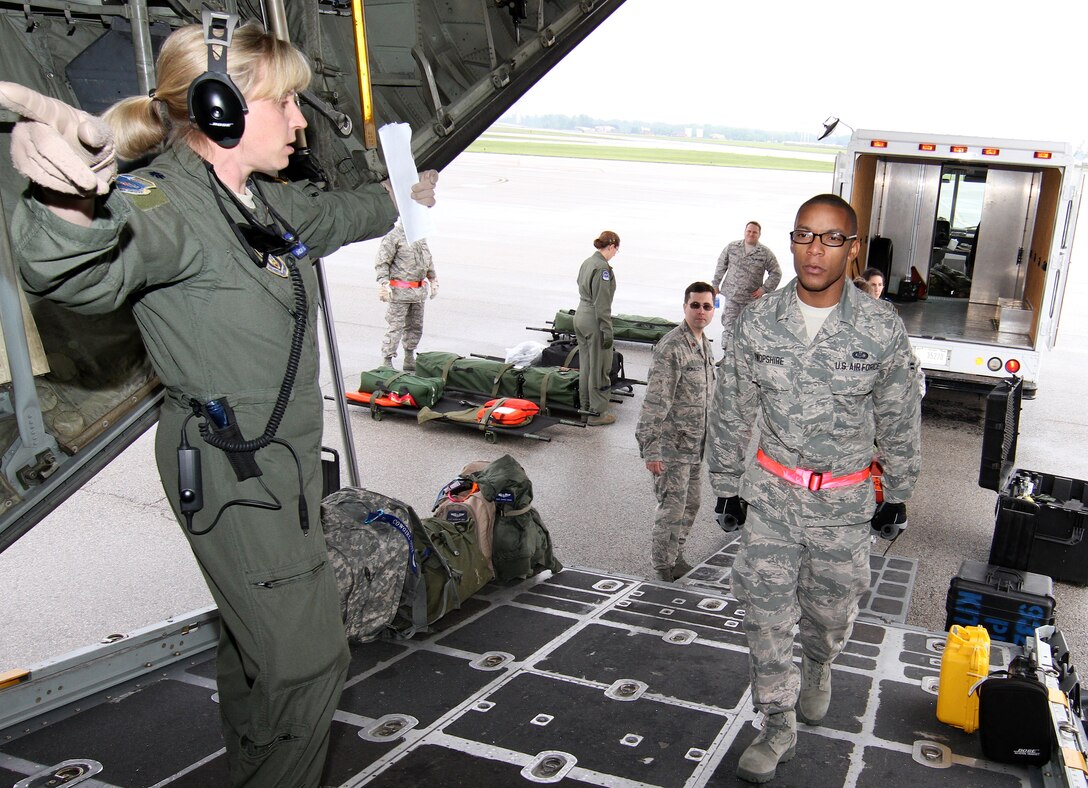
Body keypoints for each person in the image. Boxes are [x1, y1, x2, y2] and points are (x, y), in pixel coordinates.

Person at [2, 15, 437, 787]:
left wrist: (403, 194)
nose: (301, 120)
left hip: (278, 463)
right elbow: (75, 270)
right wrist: (64, 201)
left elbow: (335, 218)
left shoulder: (251, 200)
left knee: (254, 646)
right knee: (307, 662)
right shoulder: (165, 202)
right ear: (219, 108)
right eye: (287, 104)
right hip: (236, 467)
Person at [707, 194, 921, 783]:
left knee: (830, 612)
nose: (814, 250)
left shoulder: (879, 327)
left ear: (852, 250)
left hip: (844, 504)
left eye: (831, 238)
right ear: (793, 240)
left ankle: (821, 664)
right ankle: (777, 725)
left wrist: (897, 492)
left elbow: (900, 415)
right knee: (765, 613)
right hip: (772, 496)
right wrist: (726, 482)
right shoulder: (758, 319)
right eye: (804, 235)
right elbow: (731, 407)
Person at [636, 282, 716, 581]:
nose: (700, 311)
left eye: (707, 306)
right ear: (685, 307)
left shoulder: (704, 344)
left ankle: (676, 555)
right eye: (695, 305)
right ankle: (663, 566)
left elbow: (707, 398)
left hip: (695, 446)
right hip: (671, 448)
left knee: (690, 504)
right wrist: (651, 448)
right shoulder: (672, 347)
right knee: (671, 508)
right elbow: (655, 401)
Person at [375, 218, 437, 370]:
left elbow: (427, 259)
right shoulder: (393, 237)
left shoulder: (419, 237)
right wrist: (383, 282)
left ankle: (409, 357)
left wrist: (433, 278)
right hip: (399, 293)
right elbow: (382, 262)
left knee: (415, 326)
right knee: (395, 326)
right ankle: (387, 361)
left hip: (418, 293)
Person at [710, 221, 782, 348]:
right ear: (745, 232)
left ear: (759, 234)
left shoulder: (765, 253)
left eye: (754, 232)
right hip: (732, 296)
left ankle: (743, 360)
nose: (751, 234)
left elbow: (776, 273)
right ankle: (727, 357)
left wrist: (764, 289)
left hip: (750, 299)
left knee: (747, 329)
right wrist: (715, 284)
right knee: (729, 326)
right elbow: (721, 265)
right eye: (749, 231)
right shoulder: (732, 247)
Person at [574, 230, 620, 426]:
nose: (615, 254)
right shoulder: (602, 268)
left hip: (580, 315)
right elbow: (602, 304)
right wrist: (607, 329)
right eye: (616, 250)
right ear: (611, 247)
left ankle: (585, 409)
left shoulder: (587, 262)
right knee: (600, 366)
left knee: (586, 366)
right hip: (594, 319)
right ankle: (597, 413)